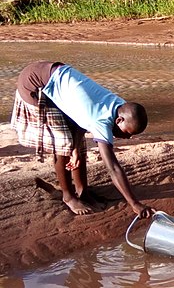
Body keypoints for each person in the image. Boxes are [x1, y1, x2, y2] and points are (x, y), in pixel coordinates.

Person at [10, 61, 154, 217]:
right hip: (35, 83)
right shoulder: (101, 120)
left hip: (56, 78)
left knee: (77, 146)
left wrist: (77, 150)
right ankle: (68, 196)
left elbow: (81, 119)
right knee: (64, 143)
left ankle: (83, 192)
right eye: (127, 132)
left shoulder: (118, 104)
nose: (127, 137)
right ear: (119, 120)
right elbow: (112, 167)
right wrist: (135, 204)